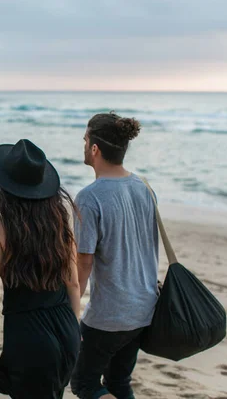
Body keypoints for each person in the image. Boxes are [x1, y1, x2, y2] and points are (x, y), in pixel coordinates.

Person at [0, 138, 81, 399]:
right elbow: (73, 284)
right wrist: (73, 331)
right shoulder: (60, 225)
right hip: (66, 330)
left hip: (27, 335)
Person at [70, 113, 159, 399]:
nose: (83, 145)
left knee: (84, 384)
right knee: (119, 382)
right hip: (144, 308)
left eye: (85, 139)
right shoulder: (144, 187)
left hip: (110, 315)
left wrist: (71, 313)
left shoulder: (89, 197)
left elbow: (83, 263)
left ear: (94, 148)